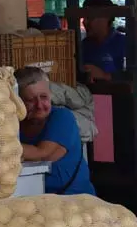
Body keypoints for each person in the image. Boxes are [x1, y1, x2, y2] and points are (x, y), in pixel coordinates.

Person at [16, 66, 96, 195]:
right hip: (34, 203)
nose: (39, 105)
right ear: (18, 102)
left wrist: (0, 148)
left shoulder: (62, 118)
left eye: (44, 97)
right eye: (30, 100)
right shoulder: (14, 124)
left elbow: (42, 154)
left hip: (75, 202)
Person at [80, 0, 126, 82]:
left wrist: (104, 76)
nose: (85, 22)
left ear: (107, 17)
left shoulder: (123, 43)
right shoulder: (84, 46)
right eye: (84, 17)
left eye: (90, 18)